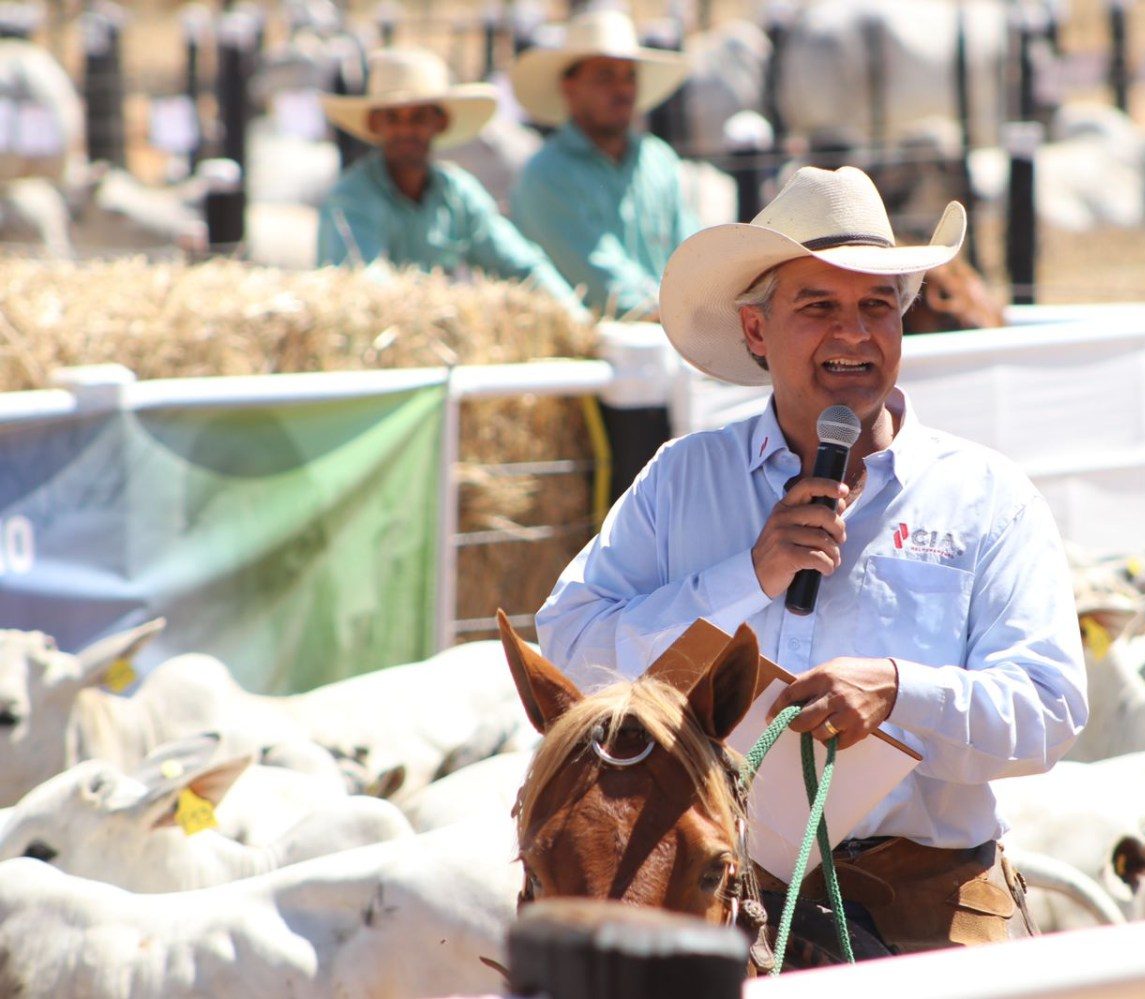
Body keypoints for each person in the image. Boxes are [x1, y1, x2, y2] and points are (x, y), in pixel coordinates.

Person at [536, 165, 1087, 953]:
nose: (854, 334)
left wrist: (901, 691)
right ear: (757, 332)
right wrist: (744, 579)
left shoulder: (986, 496)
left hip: (932, 891)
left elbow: (1049, 711)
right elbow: (570, 645)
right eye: (818, 306)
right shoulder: (683, 479)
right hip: (721, 884)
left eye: (875, 307)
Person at [317, 47, 584, 315]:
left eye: (419, 117)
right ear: (376, 124)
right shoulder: (351, 199)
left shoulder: (457, 192)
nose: (406, 130)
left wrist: (574, 317)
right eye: (393, 118)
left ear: (440, 123)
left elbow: (520, 265)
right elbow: (364, 288)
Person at [509, 10, 698, 317]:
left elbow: (694, 252)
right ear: (569, 88)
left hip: (672, 332)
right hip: (589, 353)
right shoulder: (545, 175)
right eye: (605, 76)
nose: (622, 89)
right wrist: (683, 313)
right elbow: (601, 284)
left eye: (629, 76)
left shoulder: (658, 158)